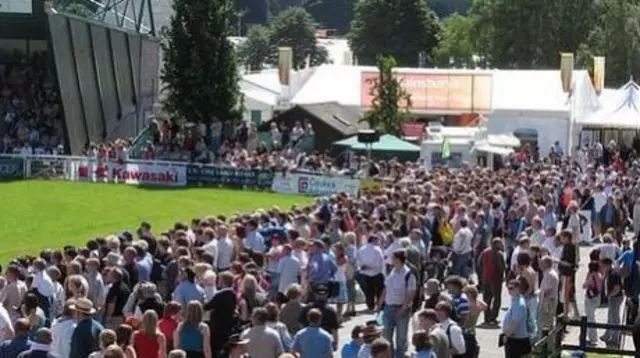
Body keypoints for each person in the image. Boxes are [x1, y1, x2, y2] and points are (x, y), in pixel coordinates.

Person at [378, 249, 416, 358]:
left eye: (393, 258)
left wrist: (403, 308)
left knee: (401, 338)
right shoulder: (392, 270)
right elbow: (386, 288)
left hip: (401, 309)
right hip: (388, 307)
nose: (391, 260)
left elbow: (411, 293)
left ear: (398, 259)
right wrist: (380, 303)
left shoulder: (409, 274)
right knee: (386, 336)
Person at [501, 279, 530, 358]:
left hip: (517, 340)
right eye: (508, 288)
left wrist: (506, 335)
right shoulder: (514, 300)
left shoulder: (519, 304)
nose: (509, 291)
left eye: (511, 288)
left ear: (518, 288)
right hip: (513, 338)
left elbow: (515, 322)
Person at [356, 236, 385, 312]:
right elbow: (380, 262)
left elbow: (359, 261)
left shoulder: (361, 249)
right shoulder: (377, 249)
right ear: (373, 240)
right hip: (377, 272)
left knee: (369, 290)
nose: (378, 242)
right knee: (379, 290)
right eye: (377, 240)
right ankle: (380, 305)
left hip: (366, 273)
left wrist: (364, 267)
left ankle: (370, 305)